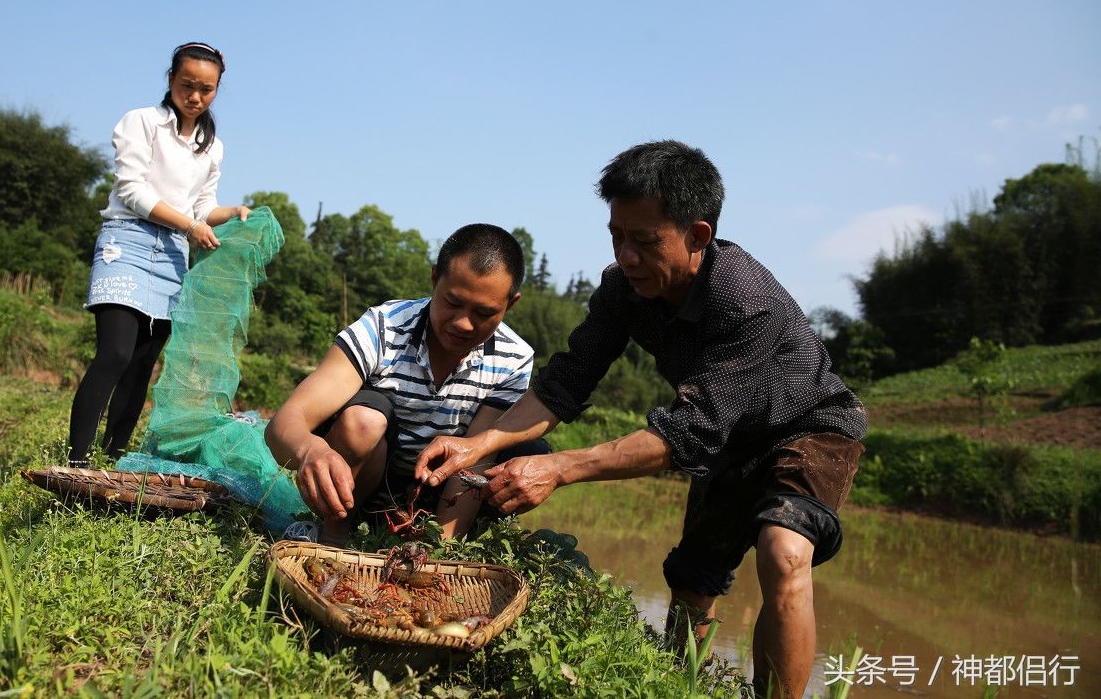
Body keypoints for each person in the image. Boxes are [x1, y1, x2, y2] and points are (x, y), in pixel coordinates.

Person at [416, 141, 866, 699]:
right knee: (692, 582)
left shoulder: (745, 301)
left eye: (645, 241)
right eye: (616, 236)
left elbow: (685, 433)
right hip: (728, 440)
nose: (626, 256)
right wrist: (476, 446)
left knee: (784, 551)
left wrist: (556, 467)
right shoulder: (623, 290)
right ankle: (680, 687)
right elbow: (565, 384)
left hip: (807, 427)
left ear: (698, 236)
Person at [264, 223, 545, 545]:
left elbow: (475, 460)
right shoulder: (384, 327)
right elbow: (285, 422)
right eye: (452, 302)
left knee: (525, 450)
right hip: (366, 480)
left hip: (440, 489)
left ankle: (439, 536)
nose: (463, 323)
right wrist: (311, 450)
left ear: (511, 304)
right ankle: (334, 532)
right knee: (365, 420)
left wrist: (441, 548)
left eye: (484, 313)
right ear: (434, 278)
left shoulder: (513, 359)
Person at [67, 42, 251, 466]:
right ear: (170, 80)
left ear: (217, 90)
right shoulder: (142, 122)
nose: (195, 96)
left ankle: (112, 460)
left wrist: (235, 213)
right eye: (187, 85)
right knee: (115, 351)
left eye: (207, 89)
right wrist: (190, 225)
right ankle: (75, 460)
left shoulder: (212, 147)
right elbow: (132, 190)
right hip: (127, 241)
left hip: (171, 255)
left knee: (142, 362)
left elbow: (203, 208)